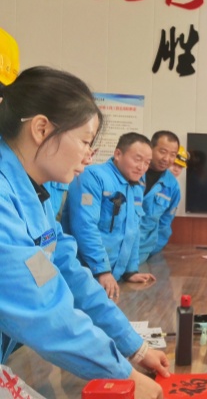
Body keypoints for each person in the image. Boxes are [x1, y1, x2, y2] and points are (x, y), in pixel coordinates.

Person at [0, 65, 168, 398]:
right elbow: (42, 310)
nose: (88, 157)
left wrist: (134, 347)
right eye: (84, 142)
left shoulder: (34, 194)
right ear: (41, 129)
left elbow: (66, 271)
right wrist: (123, 375)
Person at [62, 132, 156, 299]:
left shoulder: (136, 187)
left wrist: (130, 271)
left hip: (112, 278)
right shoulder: (92, 176)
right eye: (137, 159)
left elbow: (133, 231)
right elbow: (85, 226)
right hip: (85, 275)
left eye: (147, 162)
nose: (142, 167)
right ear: (118, 154)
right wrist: (102, 270)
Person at [138, 130, 181, 264]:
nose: (166, 159)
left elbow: (164, 224)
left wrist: (151, 251)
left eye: (173, 155)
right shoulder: (133, 171)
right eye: (162, 152)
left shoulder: (172, 186)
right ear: (151, 148)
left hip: (143, 252)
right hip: (114, 248)